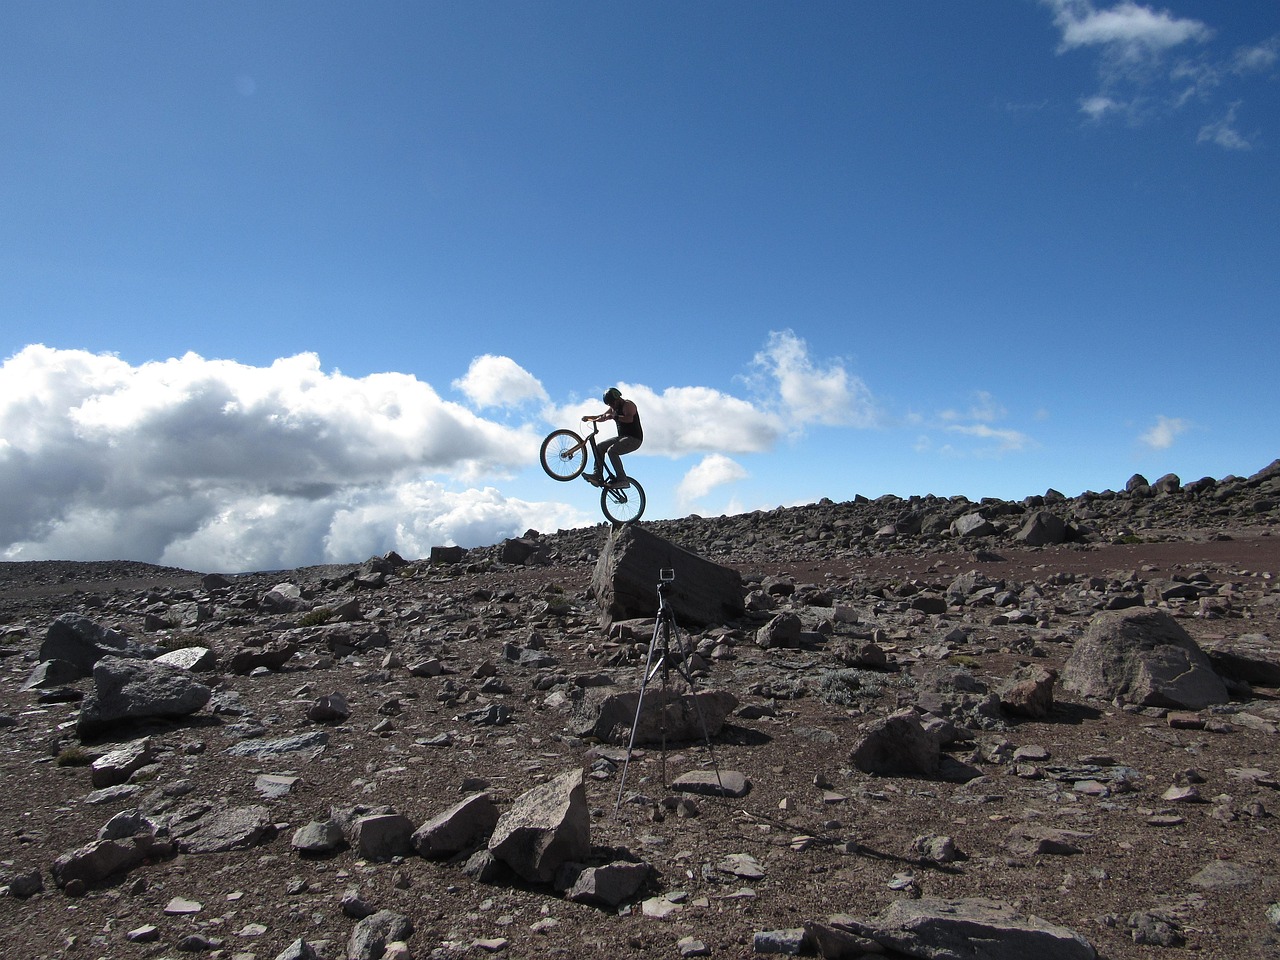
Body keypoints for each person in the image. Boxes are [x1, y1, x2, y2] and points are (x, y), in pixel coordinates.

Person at [583, 387, 642, 485]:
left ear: (618, 399)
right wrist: (589, 418)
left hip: (634, 439)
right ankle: (597, 475)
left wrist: (615, 416)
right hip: (622, 438)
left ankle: (622, 480)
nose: (612, 406)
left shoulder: (628, 405)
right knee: (599, 447)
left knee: (612, 451)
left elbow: (629, 419)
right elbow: (603, 417)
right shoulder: (613, 407)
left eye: (612, 403)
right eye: (609, 404)